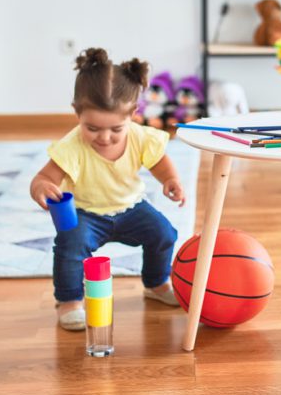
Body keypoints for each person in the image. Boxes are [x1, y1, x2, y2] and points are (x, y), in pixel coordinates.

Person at [30, 48, 187, 331]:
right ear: (77, 112)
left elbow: (159, 161)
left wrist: (170, 180)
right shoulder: (72, 146)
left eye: (116, 129)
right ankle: (69, 301)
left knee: (164, 233)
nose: (104, 137)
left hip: (131, 207)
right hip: (86, 214)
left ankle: (156, 282)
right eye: (92, 128)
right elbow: (44, 177)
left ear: (133, 114)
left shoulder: (140, 137)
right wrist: (42, 187)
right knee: (70, 247)